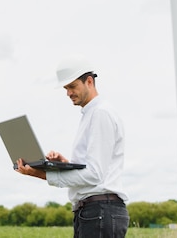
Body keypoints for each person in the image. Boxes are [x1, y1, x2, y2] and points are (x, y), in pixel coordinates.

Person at [15, 55, 129, 237]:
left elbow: (94, 174)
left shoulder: (100, 114)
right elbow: (95, 169)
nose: (68, 93)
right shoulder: (90, 114)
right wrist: (66, 163)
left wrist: (44, 174)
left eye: (72, 86)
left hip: (100, 211)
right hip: (92, 212)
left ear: (89, 81)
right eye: (66, 88)